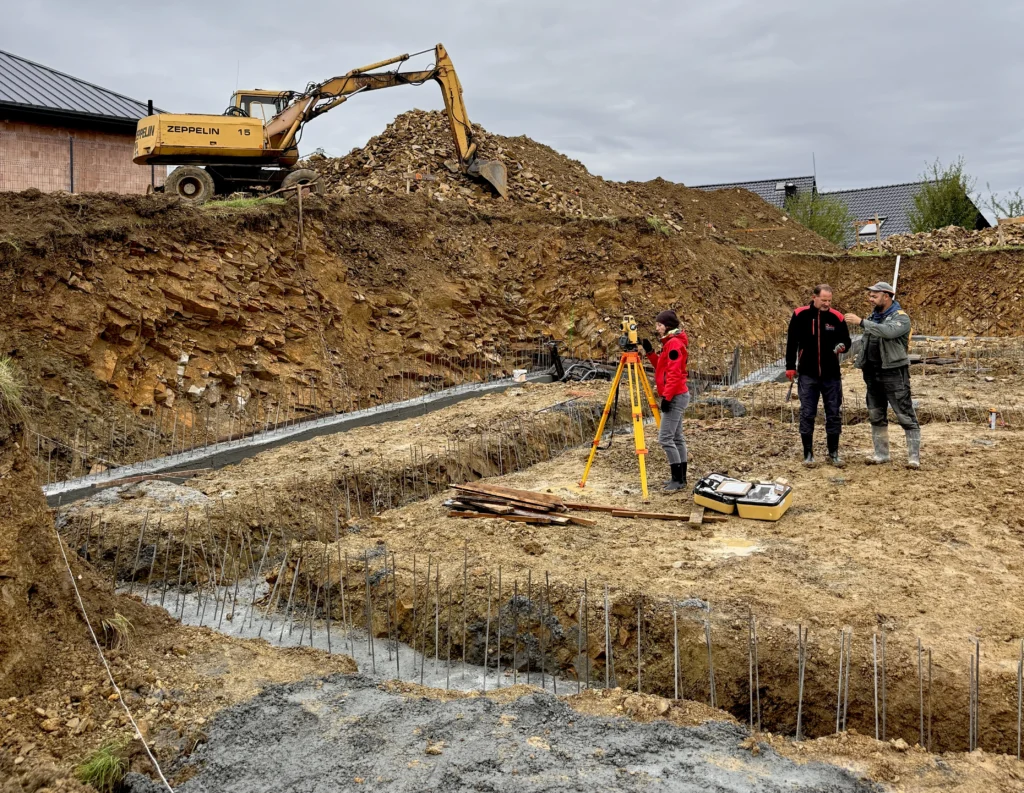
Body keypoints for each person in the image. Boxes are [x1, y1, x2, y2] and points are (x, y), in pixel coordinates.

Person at [846, 282, 920, 468]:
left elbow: (888, 332)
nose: (871, 299)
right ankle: (881, 454)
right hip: (872, 372)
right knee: (876, 414)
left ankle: (913, 458)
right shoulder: (875, 316)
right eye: (870, 296)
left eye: (875, 296)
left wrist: (861, 322)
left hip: (893, 372)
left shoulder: (901, 318)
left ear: (886, 296)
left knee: (904, 414)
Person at [785, 284, 852, 466]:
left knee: (833, 413)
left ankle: (833, 453)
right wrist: (790, 366)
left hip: (831, 375)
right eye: (823, 300)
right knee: (807, 413)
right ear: (814, 297)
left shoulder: (837, 317)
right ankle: (808, 454)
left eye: (829, 300)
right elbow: (792, 342)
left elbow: (846, 340)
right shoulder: (800, 315)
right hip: (808, 374)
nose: (826, 304)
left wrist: (843, 346)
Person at [640, 310, 689, 491]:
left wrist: (667, 397)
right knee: (677, 438)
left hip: (675, 396)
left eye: (659, 325)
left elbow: (674, 374)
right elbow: (662, 367)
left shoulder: (674, 344)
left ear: (667, 326)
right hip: (678, 394)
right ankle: (681, 478)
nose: (657, 328)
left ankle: (678, 479)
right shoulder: (670, 342)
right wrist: (650, 352)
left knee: (665, 438)